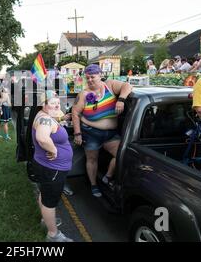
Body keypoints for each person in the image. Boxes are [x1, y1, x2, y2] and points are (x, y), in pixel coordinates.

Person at [72, 64, 132, 197]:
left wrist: (121, 100)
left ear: (100, 75)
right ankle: (94, 185)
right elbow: (75, 113)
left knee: (122, 156)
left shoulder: (109, 85)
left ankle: (108, 176)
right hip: (90, 133)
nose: (90, 80)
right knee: (92, 159)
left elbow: (127, 86)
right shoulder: (84, 94)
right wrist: (77, 133)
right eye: (87, 78)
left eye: (93, 77)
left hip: (110, 135)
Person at [32, 90, 73, 242]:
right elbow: (42, 138)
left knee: (45, 193)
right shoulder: (45, 120)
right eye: (52, 103)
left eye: (57, 102)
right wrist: (54, 150)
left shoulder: (44, 115)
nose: (57, 105)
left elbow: (58, 112)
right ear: (43, 105)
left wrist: (55, 108)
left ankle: (46, 220)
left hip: (46, 166)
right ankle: (53, 234)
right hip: (53, 168)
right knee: (50, 201)